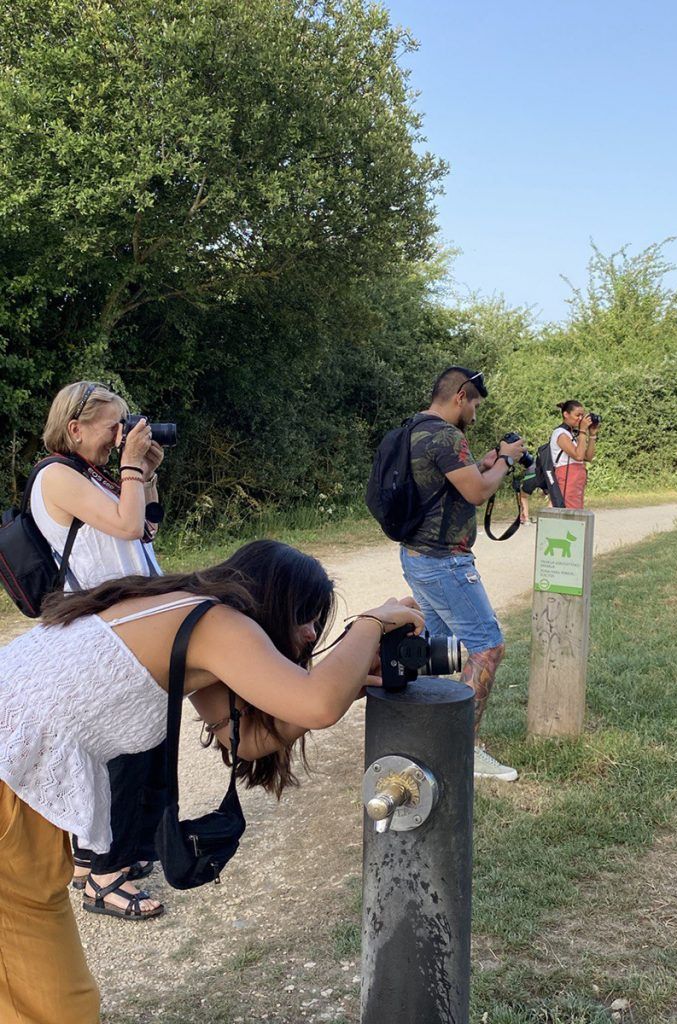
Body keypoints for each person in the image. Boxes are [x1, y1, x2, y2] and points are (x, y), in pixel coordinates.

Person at [0, 539, 421, 1023]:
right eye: (304, 615)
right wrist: (372, 623)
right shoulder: (218, 624)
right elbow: (317, 703)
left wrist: (349, 684)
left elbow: (246, 739)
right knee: (53, 1007)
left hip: (16, 784)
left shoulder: (187, 615)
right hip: (10, 788)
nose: (308, 634)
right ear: (270, 599)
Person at [35, 380, 166, 919]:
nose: (121, 434)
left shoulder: (91, 475)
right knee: (129, 743)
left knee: (141, 740)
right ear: (74, 428)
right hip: (100, 627)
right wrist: (131, 467)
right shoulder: (57, 476)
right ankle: (103, 878)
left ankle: (107, 857)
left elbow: (146, 531)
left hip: (126, 619)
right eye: (112, 425)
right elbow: (126, 521)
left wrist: (146, 475)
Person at [398, 365, 528, 782]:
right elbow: (475, 492)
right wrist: (506, 462)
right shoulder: (446, 435)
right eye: (473, 403)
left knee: (434, 650)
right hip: (444, 561)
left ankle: (420, 737)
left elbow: (455, 481)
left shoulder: (413, 428)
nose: (474, 412)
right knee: (487, 648)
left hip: (417, 555)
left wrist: (487, 461)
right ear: (460, 395)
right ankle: (463, 752)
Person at [551, 400, 599, 509]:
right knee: (569, 511)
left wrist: (592, 435)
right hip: (567, 477)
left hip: (576, 478)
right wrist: (582, 431)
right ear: (566, 414)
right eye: (577, 415)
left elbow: (588, 457)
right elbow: (578, 456)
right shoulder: (560, 433)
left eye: (582, 415)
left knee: (576, 510)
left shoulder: (570, 433)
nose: (580, 419)